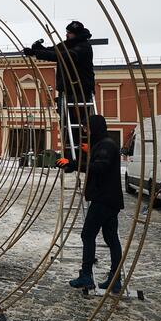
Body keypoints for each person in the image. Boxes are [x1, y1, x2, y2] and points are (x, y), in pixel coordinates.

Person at [55, 115, 125, 292]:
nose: (86, 131)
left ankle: (86, 276)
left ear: (95, 128)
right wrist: (81, 159)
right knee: (111, 238)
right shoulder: (103, 145)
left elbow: (99, 167)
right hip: (110, 200)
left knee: (88, 234)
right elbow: (95, 163)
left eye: (87, 128)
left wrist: (74, 162)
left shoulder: (107, 145)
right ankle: (115, 279)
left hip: (104, 199)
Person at [23, 21, 95, 159]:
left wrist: (38, 52)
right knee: (66, 125)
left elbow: (64, 56)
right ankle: (69, 157)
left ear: (76, 34)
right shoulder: (67, 44)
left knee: (81, 125)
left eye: (69, 33)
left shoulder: (84, 47)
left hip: (80, 91)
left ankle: (82, 158)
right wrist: (37, 50)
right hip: (66, 91)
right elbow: (53, 51)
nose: (66, 35)